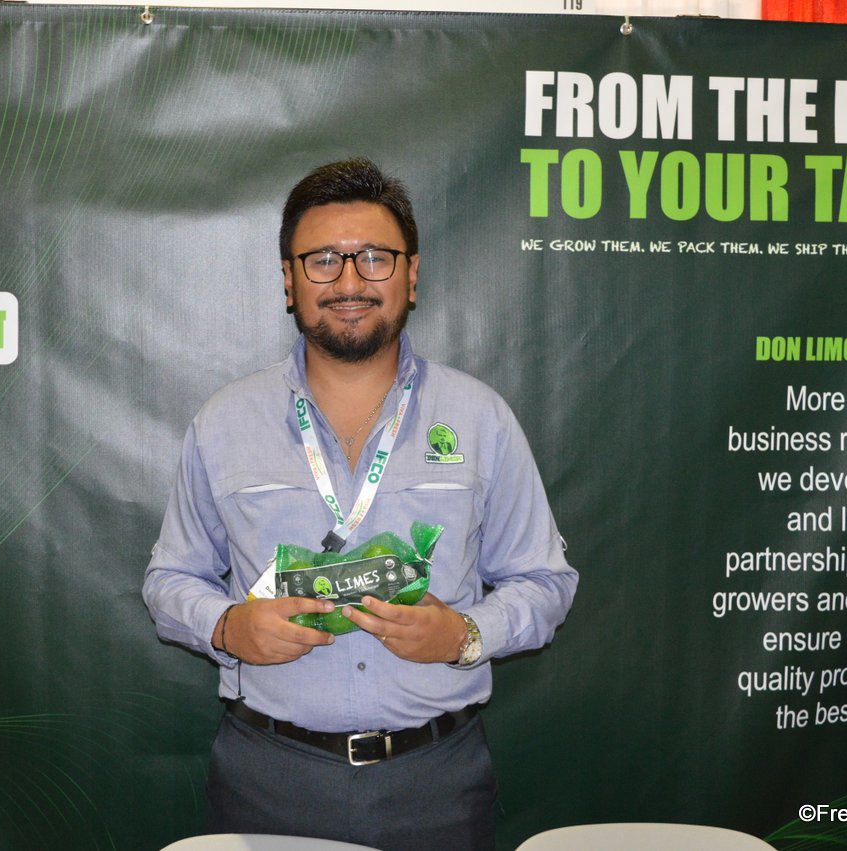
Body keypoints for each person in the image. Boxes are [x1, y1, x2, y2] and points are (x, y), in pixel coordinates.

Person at [143, 157, 577, 851]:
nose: (349, 282)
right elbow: (169, 579)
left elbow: (545, 582)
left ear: (412, 273)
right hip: (268, 779)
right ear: (289, 280)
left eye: (375, 257)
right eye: (322, 261)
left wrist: (465, 635)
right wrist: (227, 627)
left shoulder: (480, 419)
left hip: (436, 782)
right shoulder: (224, 423)